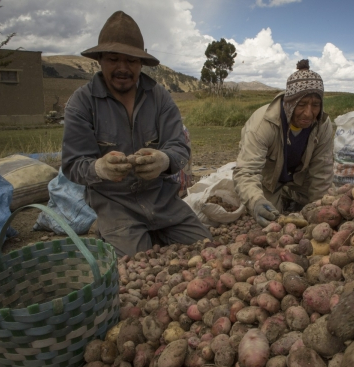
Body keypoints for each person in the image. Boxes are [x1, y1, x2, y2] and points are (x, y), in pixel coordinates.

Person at [61, 11, 212, 257]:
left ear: (141, 63)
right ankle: (114, 230)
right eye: (113, 59)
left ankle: (151, 232)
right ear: (100, 60)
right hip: (114, 203)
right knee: (135, 262)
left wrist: (163, 161)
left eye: (131, 61)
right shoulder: (82, 102)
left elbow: (179, 147)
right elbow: (72, 165)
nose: (123, 68)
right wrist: (100, 168)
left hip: (161, 199)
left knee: (205, 247)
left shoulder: (159, 96)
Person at [233, 59, 334, 227]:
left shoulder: (322, 124)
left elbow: (322, 171)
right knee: (270, 214)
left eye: (316, 105)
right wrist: (256, 201)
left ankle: (289, 193)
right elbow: (246, 172)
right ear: (290, 102)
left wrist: (320, 213)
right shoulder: (263, 124)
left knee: (329, 198)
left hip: (300, 176)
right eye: (301, 105)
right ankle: (280, 194)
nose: (309, 113)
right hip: (269, 178)